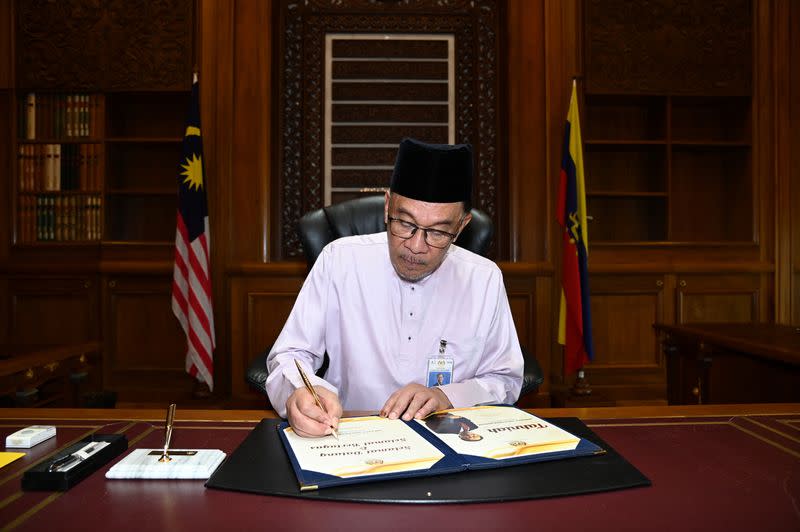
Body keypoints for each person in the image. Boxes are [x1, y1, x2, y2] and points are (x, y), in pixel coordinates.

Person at [266, 137, 524, 438]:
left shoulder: (484, 279)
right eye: (404, 223)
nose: (415, 246)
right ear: (388, 204)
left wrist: (447, 396)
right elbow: (289, 355)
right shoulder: (339, 260)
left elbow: (506, 379)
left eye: (439, 233)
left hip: (450, 444)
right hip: (348, 438)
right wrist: (303, 392)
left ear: (462, 226)